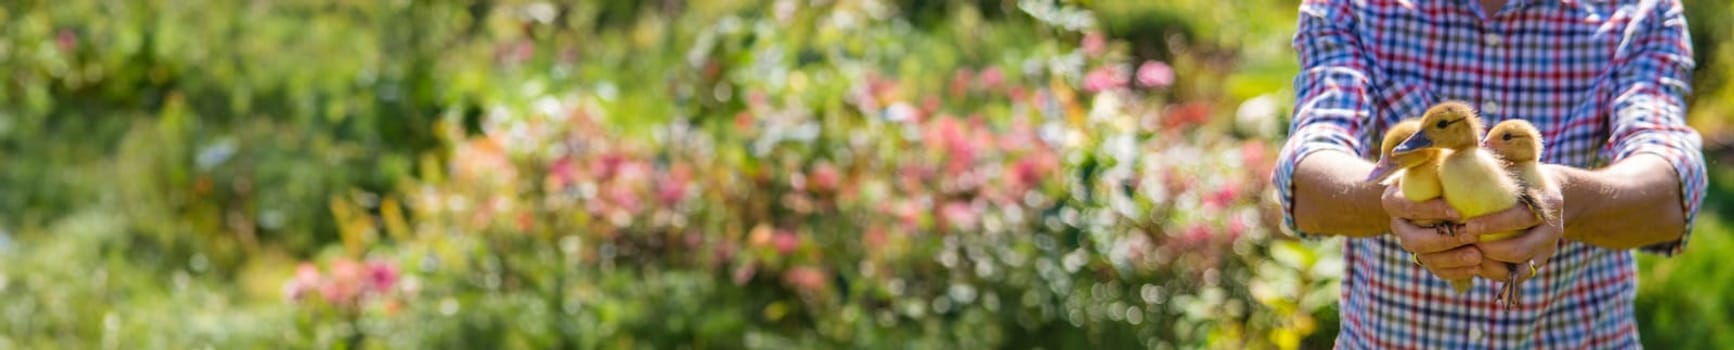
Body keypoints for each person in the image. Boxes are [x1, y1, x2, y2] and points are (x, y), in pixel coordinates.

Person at [1271, 0, 1706, 347]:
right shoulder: (1353, 7)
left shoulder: (1639, 11)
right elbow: (1307, 173)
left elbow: (1671, 185)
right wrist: (1392, 202)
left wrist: (1565, 199)